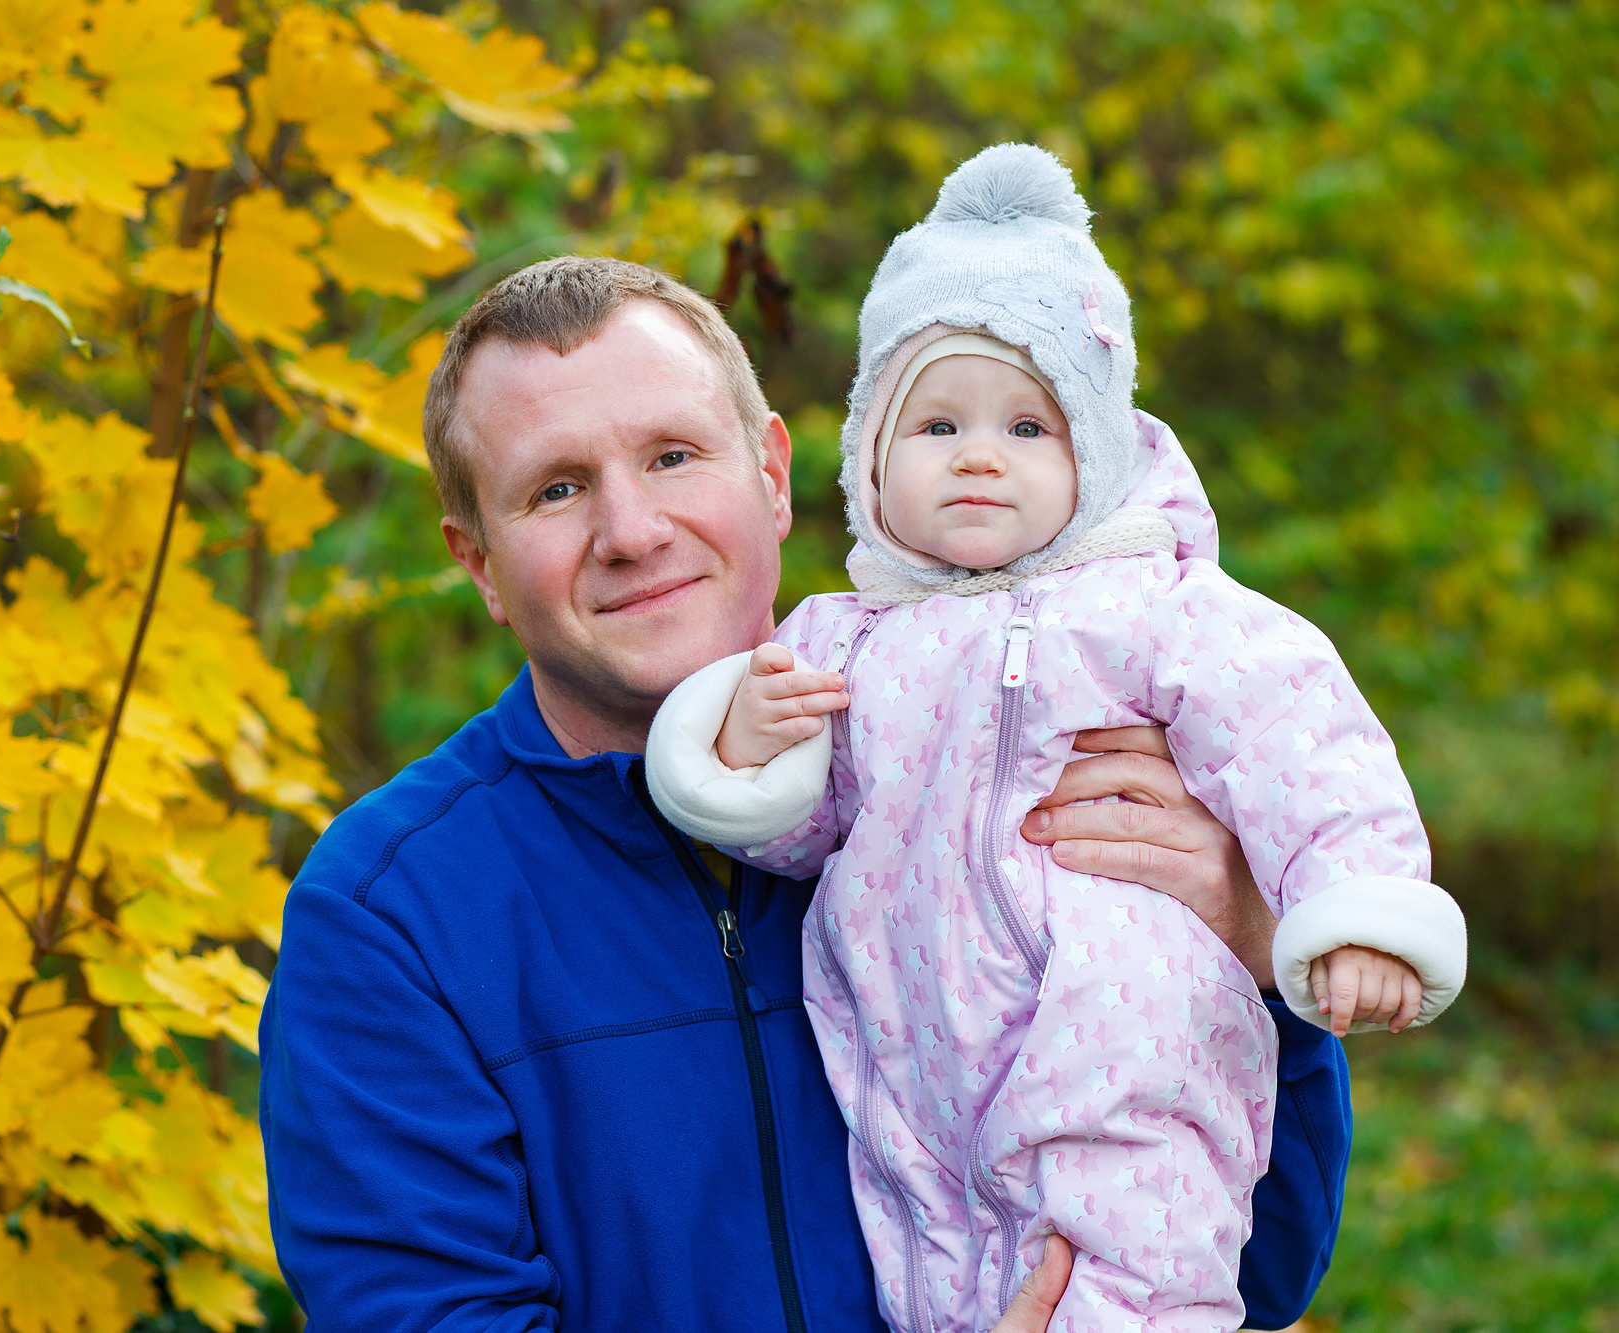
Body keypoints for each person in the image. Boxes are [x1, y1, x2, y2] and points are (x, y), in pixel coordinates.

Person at [258, 252, 1355, 1333]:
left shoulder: (1019, 771)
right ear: (479, 563)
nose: (632, 531)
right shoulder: (390, 915)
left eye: (674, 456)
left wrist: (1249, 958)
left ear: (775, 477)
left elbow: (1266, 1270)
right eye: (555, 489)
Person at [643, 146, 1467, 1333]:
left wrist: (1356, 903)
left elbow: (1305, 747)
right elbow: (803, 836)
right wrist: (742, 749)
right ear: (867, 455)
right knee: (927, 1265)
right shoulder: (840, 638)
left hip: (1126, 1036)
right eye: (934, 422)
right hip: (910, 1054)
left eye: (1026, 424)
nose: (978, 453)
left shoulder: (1158, 607)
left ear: (1093, 452)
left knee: (1129, 1266)